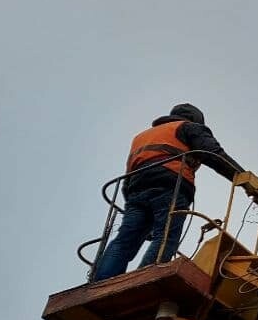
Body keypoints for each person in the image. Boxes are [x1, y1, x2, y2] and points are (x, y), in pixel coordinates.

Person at [92, 103, 244, 283]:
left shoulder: (141, 137)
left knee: (124, 240)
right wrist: (242, 177)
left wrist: (132, 200)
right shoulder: (189, 128)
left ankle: (100, 282)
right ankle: (144, 280)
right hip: (170, 185)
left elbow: (129, 174)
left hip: (136, 190)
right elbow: (213, 153)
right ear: (196, 120)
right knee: (166, 237)